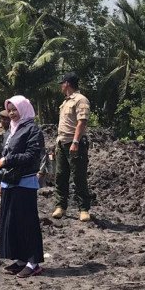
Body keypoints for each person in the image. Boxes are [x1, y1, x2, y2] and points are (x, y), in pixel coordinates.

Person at [0, 96, 45, 278]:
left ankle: (33, 262)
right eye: (10, 109)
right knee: (12, 223)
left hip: (25, 183)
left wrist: (7, 160)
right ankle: (22, 259)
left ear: (24, 109)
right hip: (9, 182)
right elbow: (4, 155)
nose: (12, 113)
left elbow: (32, 155)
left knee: (27, 223)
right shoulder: (11, 130)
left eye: (15, 109)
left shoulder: (32, 130)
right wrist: (1, 182)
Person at [53, 73, 92, 222]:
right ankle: (60, 206)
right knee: (61, 175)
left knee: (78, 176)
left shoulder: (80, 100)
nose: (61, 86)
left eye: (62, 83)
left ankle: (84, 209)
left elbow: (82, 122)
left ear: (67, 83)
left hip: (75, 143)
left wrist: (75, 142)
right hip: (62, 142)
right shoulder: (65, 102)